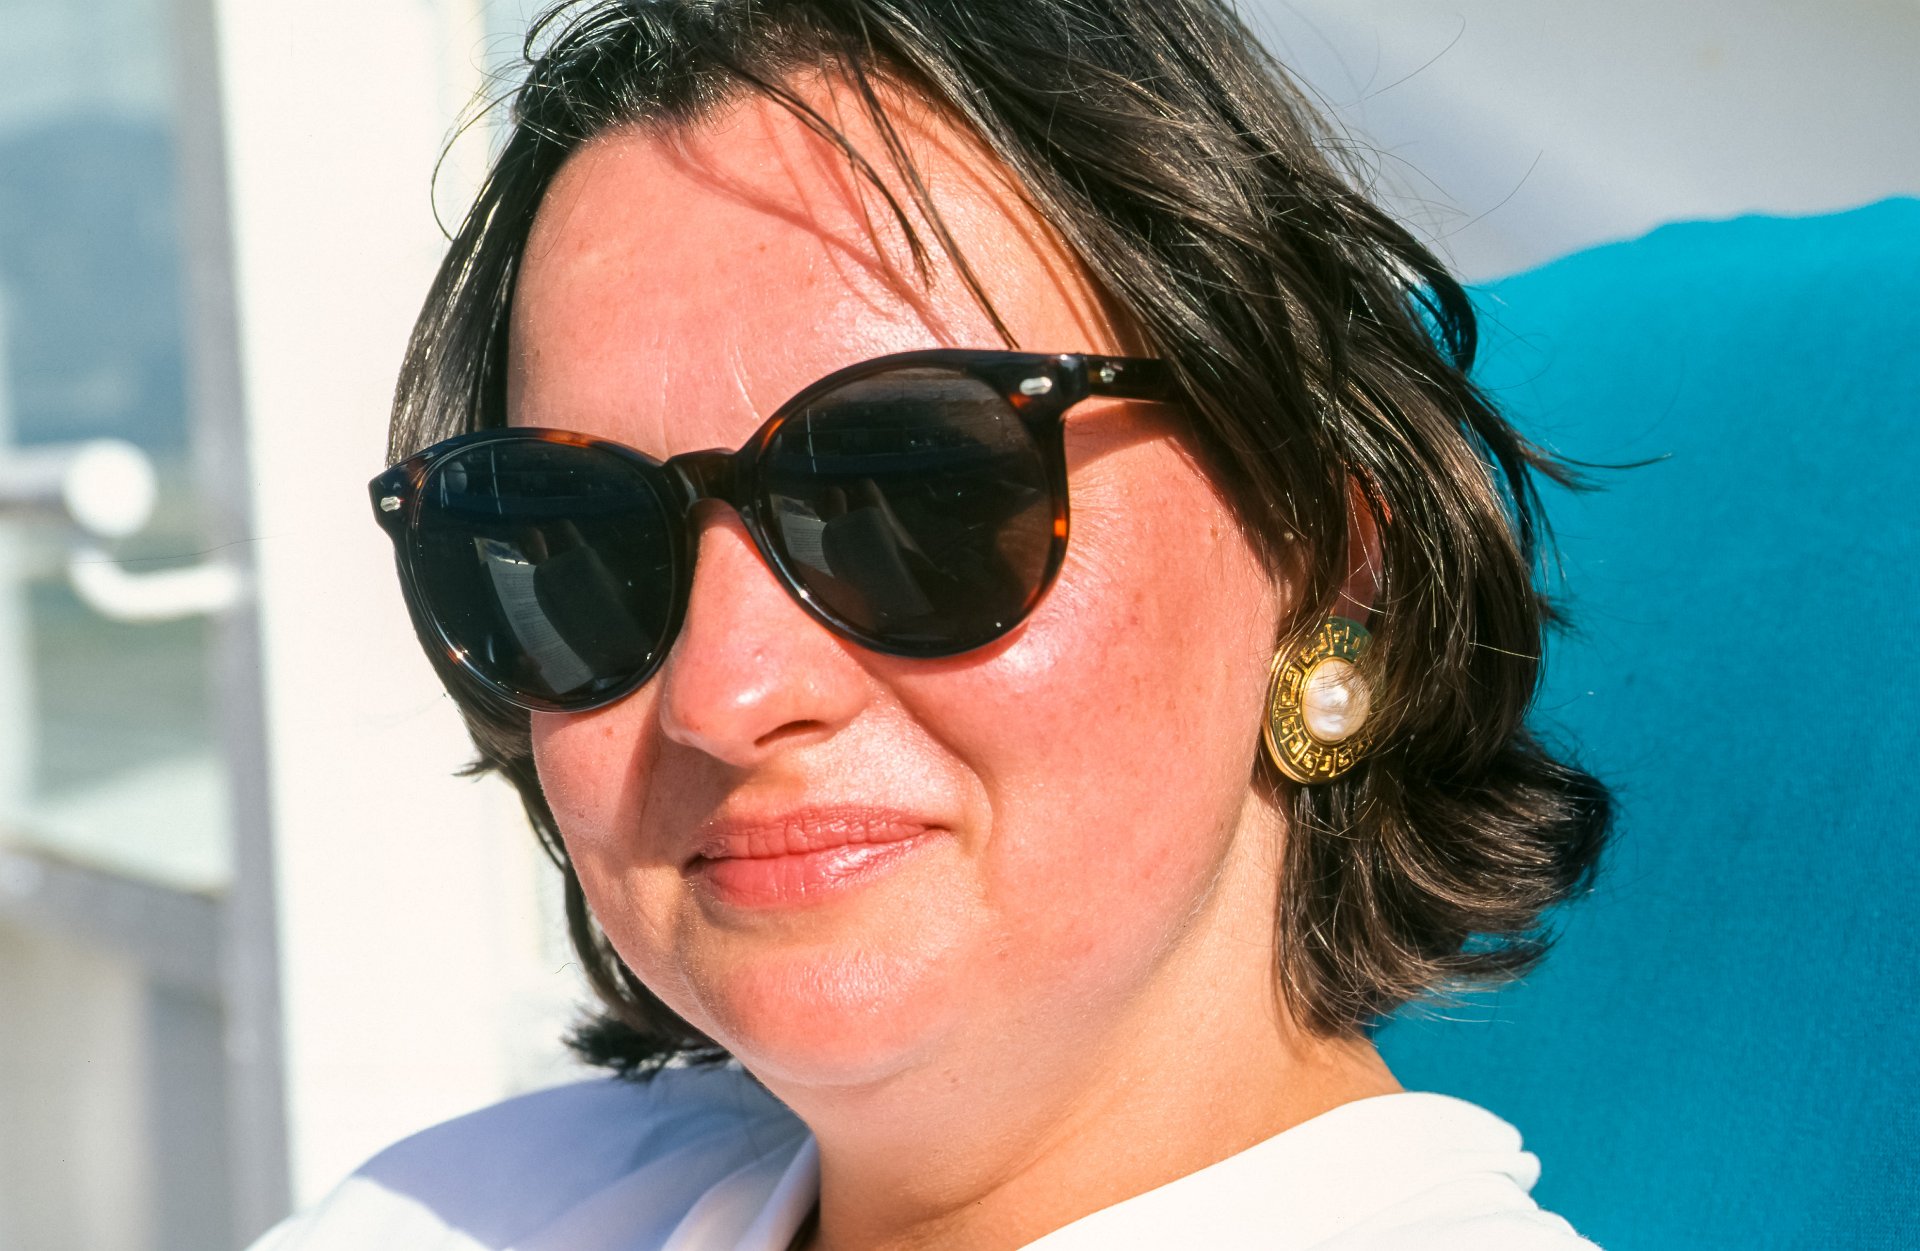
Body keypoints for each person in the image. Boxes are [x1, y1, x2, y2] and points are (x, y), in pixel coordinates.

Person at [257, 1, 1612, 1246]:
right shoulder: (447, 1213)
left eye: (921, 493)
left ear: (1328, 567)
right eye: (576, 540)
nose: (724, 693)